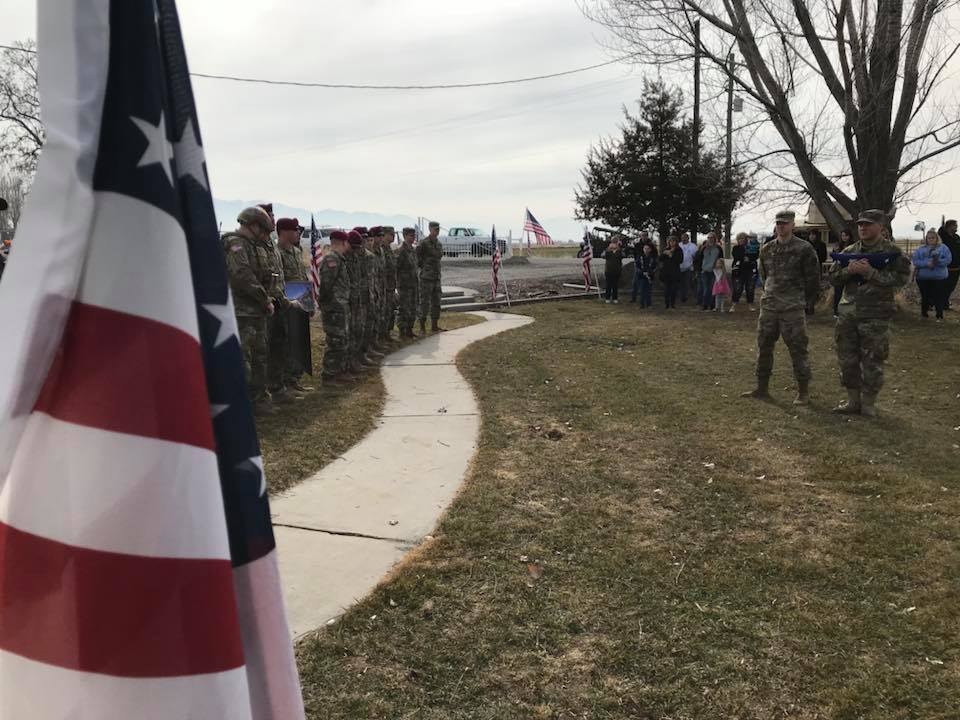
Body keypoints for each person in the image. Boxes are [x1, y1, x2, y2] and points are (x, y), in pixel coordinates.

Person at [828, 209, 911, 417]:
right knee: (847, 359)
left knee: (873, 360)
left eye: (868, 224)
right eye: (860, 224)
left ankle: (868, 404)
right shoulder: (849, 251)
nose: (863, 228)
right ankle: (852, 401)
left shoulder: (893, 252)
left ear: (881, 227)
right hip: (848, 315)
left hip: (876, 315)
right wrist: (850, 271)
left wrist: (871, 273)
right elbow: (833, 278)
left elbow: (902, 279)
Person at [742, 210, 821, 405]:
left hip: (792, 308)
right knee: (764, 347)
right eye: (778, 223)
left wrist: (808, 302)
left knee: (798, 350)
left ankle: (803, 392)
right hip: (769, 307)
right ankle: (761, 388)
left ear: (793, 225)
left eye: (785, 223)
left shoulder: (804, 249)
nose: (781, 226)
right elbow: (764, 275)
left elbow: (813, 279)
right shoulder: (767, 249)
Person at [222, 206, 280, 413]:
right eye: (263, 230)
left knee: (260, 356)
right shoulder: (235, 244)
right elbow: (242, 276)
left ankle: (259, 399)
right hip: (241, 311)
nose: (265, 235)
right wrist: (265, 299)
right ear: (253, 225)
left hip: (256, 311)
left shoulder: (254, 245)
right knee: (243, 359)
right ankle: (240, 403)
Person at [276, 218, 313, 393]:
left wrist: (309, 301)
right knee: (285, 343)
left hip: (300, 303)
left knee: (299, 341)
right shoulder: (277, 252)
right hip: (285, 304)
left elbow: (303, 278)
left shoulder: (297, 252)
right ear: (284, 232)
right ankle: (284, 382)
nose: (298, 233)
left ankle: (294, 379)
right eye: (295, 230)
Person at [316, 231, 353, 386]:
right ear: (344, 243)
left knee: (342, 341)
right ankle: (329, 375)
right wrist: (327, 305)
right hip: (333, 308)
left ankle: (339, 372)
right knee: (334, 342)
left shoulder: (339, 259)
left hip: (340, 307)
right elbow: (325, 286)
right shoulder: (332, 260)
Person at [912, 228, 953, 321]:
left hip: (939, 278)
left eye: (933, 238)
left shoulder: (943, 248)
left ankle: (939, 315)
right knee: (925, 296)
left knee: (938, 296)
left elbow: (948, 260)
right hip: (923, 278)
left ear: (937, 238)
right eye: (929, 238)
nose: (931, 239)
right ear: (926, 239)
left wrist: (937, 261)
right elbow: (915, 261)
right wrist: (927, 263)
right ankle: (924, 314)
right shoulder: (920, 249)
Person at [417, 221, 444, 332]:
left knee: (436, 302)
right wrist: (424, 267)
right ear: (430, 229)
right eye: (435, 229)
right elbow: (417, 258)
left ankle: (434, 325)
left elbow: (439, 257)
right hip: (426, 278)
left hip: (436, 277)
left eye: (438, 229)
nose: (437, 231)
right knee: (425, 302)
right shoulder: (423, 243)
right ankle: (422, 327)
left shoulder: (439, 243)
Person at [396, 228, 419, 337]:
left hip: (413, 284)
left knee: (413, 307)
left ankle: (410, 329)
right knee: (404, 308)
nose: (413, 238)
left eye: (413, 235)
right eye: (410, 235)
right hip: (404, 285)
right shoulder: (401, 250)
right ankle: (402, 331)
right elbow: (397, 268)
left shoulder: (413, 250)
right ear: (405, 236)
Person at [730, 232, 757, 312]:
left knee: (750, 288)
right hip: (738, 271)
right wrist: (745, 257)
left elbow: (755, 255)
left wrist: (748, 256)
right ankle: (734, 305)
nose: (742, 240)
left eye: (743, 238)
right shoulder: (736, 248)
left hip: (750, 270)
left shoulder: (752, 247)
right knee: (737, 288)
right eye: (740, 239)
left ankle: (750, 305)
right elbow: (737, 256)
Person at [380, 226, 398, 343]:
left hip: (391, 285)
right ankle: (383, 334)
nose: (393, 236)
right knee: (385, 311)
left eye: (393, 234)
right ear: (385, 235)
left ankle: (388, 333)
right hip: (384, 286)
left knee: (390, 310)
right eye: (391, 234)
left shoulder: (389, 249)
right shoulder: (382, 249)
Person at [938, 219, 960, 310]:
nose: (957, 227)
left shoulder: (957, 237)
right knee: (944, 286)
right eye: (955, 225)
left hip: (956, 268)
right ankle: (941, 304)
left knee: (951, 287)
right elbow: (939, 233)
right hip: (945, 267)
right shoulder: (943, 237)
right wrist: (942, 227)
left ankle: (945, 303)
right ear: (949, 227)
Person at [833, 228, 854, 317]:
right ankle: (836, 311)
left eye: (846, 235)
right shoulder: (839, 246)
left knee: (850, 291)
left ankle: (849, 311)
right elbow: (835, 258)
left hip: (851, 270)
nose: (844, 238)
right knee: (838, 291)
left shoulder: (854, 246)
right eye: (842, 236)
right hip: (840, 271)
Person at [700, 233, 722, 311]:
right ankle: (705, 305)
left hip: (714, 270)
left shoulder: (718, 248)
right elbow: (699, 259)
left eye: (712, 237)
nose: (710, 239)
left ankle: (713, 305)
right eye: (708, 237)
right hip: (705, 270)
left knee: (713, 288)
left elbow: (721, 259)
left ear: (715, 238)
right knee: (706, 289)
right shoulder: (703, 248)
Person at [659, 236, 683, 309]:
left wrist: (671, 255)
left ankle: (672, 304)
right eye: (670, 241)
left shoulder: (679, 250)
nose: (672, 243)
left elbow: (680, 260)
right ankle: (666, 304)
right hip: (666, 272)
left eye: (673, 241)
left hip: (675, 272)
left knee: (673, 289)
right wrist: (665, 254)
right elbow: (660, 259)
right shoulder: (666, 249)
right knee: (666, 289)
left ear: (676, 242)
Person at [635, 242, 658, 308]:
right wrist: (642, 272)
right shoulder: (640, 257)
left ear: (650, 250)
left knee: (649, 291)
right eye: (645, 248)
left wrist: (649, 272)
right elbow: (637, 266)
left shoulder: (652, 258)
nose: (646, 250)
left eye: (648, 248)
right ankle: (642, 304)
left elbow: (655, 266)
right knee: (642, 290)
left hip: (650, 276)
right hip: (641, 276)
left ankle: (649, 304)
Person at [603, 236, 624, 303]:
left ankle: (615, 298)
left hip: (617, 270)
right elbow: (603, 256)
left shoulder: (619, 251)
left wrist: (619, 248)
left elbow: (623, 255)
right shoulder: (608, 250)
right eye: (613, 242)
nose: (614, 244)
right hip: (608, 270)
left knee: (615, 285)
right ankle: (607, 298)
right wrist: (608, 249)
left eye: (616, 242)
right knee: (608, 285)